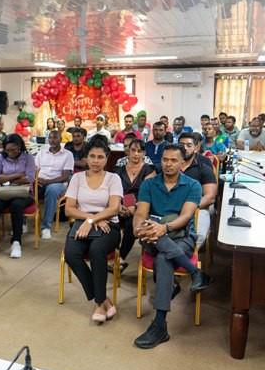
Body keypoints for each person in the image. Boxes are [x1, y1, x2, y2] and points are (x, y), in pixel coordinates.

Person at [133, 144, 210, 349]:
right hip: (152, 235)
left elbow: (185, 217)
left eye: (174, 160)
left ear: (183, 163)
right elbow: (141, 213)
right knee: (153, 234)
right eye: (165, 160)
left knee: (163, 258)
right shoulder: (149, 184)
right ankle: (195, 272)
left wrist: (164, 228)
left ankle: (159, 325)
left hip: (181, 236)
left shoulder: (193, 185)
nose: (168, 164)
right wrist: (138, 228)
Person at [64, 135, 123, 322]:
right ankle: (103, 299)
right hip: (84, 223)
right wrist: (90, 219)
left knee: (97, 250)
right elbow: (69, 209)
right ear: (86, 157)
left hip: (109, 226)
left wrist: (93, 220)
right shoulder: (77, 178)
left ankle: (98, 305)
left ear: (107, 158)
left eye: (100, 157)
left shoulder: (113, 178)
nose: (96, 161)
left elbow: (114, 208)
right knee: (71, 254)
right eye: (92, 156)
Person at [0, 134, 36, 259]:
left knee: (16, 205)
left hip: (24, 193)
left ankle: (16, 242)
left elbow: (29, 178)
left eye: (13, 150)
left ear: (20, 147)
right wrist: (18, 175)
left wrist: (6, 178)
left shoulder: (28, 158)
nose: (10, 153)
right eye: (7, 150)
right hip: (4, 192)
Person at [115, 139, 155, 269]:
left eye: (140, 151)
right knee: (111, 221)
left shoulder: (149, 170)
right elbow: (114, 191)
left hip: (141, 206)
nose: (136, 154)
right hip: (120, 206)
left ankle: (120, 258)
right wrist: (120, 206)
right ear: (128, 151)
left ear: (144, 153)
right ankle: (112, 254)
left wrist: (134, 207)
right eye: (133, 150)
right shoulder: (119, 170)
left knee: (130, 224)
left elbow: (147, 193)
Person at [179, 133, 217, 249]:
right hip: (171, 205)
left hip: (198, 207)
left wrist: (190, 207)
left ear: (196, 148)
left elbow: (210, 197)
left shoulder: (203, 166)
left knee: (198, 235)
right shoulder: (170, 166)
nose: (184, 148)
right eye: (181, 145)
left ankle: (181, 257)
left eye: (189, 145)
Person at [36, 130, 74, 239]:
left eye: (55, 138)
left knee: (51, 190)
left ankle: (46, 227)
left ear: (60, 140)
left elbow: (65, 176)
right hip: (41, 181)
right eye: (50, 138)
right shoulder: (41, 152)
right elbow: (34, 169)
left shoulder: (67, 154)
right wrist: (37, 180)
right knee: (28, 190)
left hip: (59, 183)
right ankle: (23, 222)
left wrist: (47, 181)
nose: (52, 140)